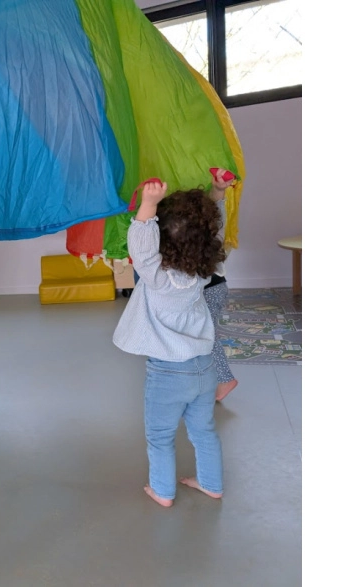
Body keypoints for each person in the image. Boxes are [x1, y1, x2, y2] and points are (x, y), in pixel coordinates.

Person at [112, 172, 228, 508]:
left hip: (168, 374)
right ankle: (212, 484)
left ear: (163, 241)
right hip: (204, 369)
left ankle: (162, 491)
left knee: (160, 437)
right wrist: (217, 192)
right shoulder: (204, 270)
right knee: (204, 430)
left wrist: (148, 204)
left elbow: (142, 248)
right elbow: (208, 229)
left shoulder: (158, 279)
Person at [203, 172, 239, 401]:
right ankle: (219, 379)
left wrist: (219, 190)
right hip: (216, 287)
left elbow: (218, 209)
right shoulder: (210, 233)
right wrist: (218, 189)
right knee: (207, 333)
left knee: (207, 334)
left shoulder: (202, 238)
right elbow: (218, 209)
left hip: (210, 289)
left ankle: (224, 380)